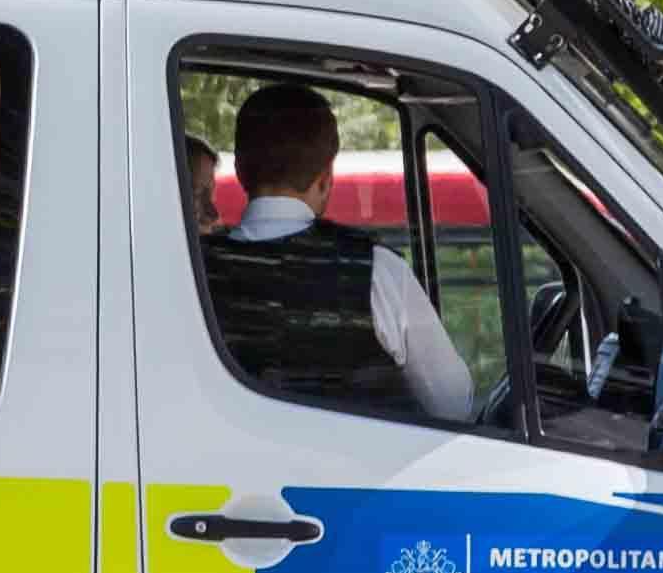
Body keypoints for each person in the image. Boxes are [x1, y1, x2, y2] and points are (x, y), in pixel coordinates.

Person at [201, 81, 473, 425]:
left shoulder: (191, 271)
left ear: (239, 170)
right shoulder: (376, 270)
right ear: (326, 177)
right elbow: (451, 403)